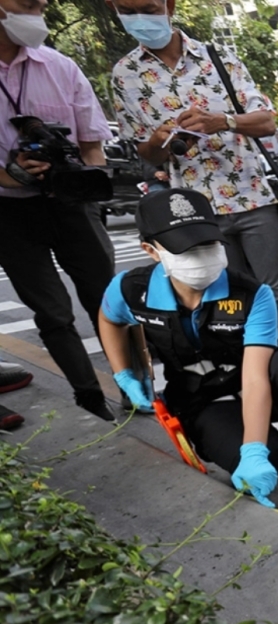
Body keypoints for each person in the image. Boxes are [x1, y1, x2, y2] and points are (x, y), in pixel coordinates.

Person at [99, 189, 278, 514]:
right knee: (270, 455)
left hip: (251, 381)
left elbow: (256, 377)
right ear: (151, 250)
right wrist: (123, 373)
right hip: (198, 398)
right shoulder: (131, 289)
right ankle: (245, 449)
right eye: (186, 248)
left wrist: (252, 450)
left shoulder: (252, 294)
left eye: (208, 244)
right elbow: (110, 319)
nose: (201, 256)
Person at [111, 0, 278, 357]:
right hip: (193, 212)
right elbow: (146, 151)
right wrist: (158, 141)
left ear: (169, 6)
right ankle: (247, 377)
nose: (139, 17)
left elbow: (266, 121)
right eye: (127, 9)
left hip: (251, 197)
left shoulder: (218, 58)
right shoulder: (124, 74)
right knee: (225, 299)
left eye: (147, 7)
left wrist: (222, 121)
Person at [0, 0, 117, 422]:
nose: (41, 5)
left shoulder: (60, 67)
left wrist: (86, 174)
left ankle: (136, 386)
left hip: (72, 205)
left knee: (108, 301)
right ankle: (90, 399)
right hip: (8, 214)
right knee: (52, 311)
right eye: (26, 1)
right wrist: (11, 174)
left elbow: (92, 143)